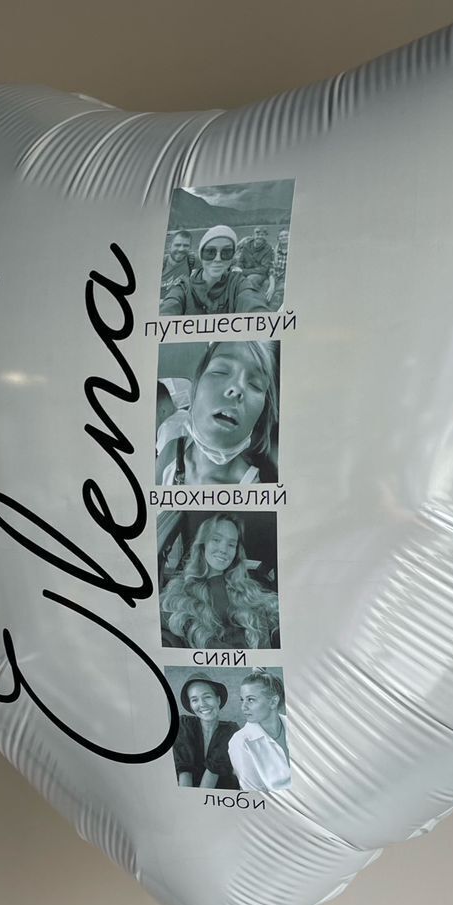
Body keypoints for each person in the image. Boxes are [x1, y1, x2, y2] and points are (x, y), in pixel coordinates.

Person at [155, 340, 279, 487]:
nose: (237, 389)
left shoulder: (258, 489)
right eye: (220, 371)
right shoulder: (172, 449)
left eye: (255, 385)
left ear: (261, 415)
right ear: (196, 387)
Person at [160, 514, 279, 651]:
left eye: (231, 544)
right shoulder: (180, 589)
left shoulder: (249, 592)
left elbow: (264, 648)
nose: (223, 550)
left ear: (236, 551)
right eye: (216, 539)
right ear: (203, 544)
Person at [159, 225, 269, 316]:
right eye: (210, 252)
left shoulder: (238, 284)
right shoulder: (183, 288)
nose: (218, 259)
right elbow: (170, 306)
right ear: (201, 255)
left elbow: (251, 301)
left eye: (226, 252)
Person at [228, 670, 291, 792]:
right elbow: (254, 795)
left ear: (273, 702)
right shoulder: (240, 742)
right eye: (242, 700)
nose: (243, 707)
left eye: (251, 700)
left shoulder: (297, 726)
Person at [173, 675, 239, 789]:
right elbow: (185, 773)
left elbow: (212, 774)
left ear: (218, 700)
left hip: (219, 796)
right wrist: (185, 799)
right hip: (187, 795)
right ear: (191, 706)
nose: (202, 704)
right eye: (194, 700)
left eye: (207, 697)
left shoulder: (230, 730)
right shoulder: (184, 725)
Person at [235, 226, 275, 292]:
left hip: (259, 274)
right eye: (257, 234)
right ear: (253, 235)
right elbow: (241, 261)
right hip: (245, 270)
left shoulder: (268, 248)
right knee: (234, 276)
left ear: (265, 237)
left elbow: (263, 269)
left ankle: (252, 295)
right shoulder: (247, 245)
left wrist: (243, 271)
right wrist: (238, 268)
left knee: (250, 279)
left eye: (262, 235)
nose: (260, 237)